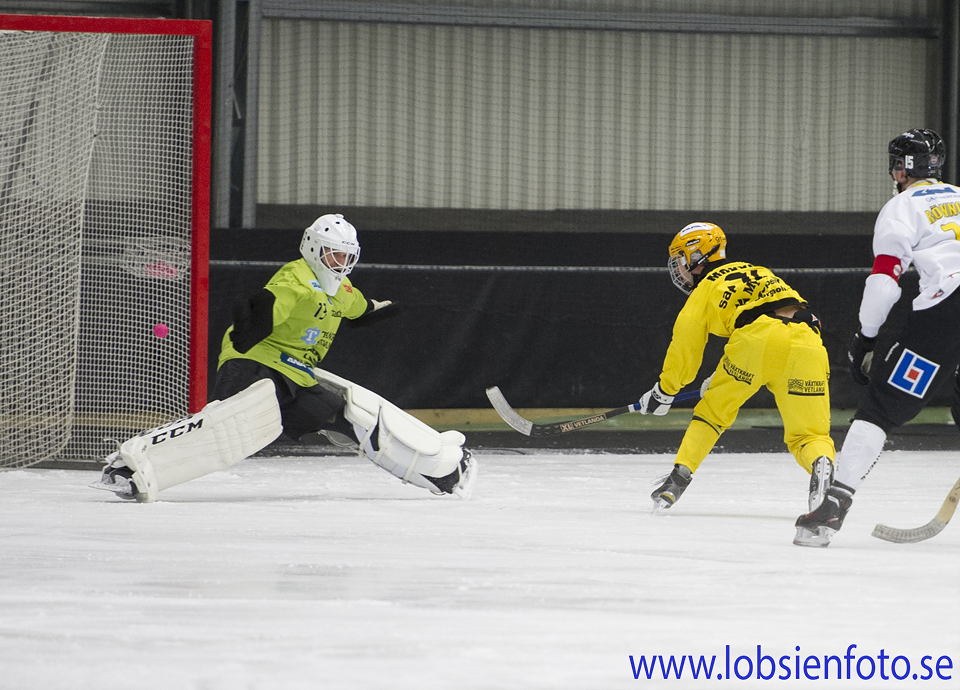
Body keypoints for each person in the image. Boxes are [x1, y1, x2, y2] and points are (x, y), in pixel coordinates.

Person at [94, 214, 477, 502]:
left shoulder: (342, 290)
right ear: (312, 248)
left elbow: (365, 309)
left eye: (346, 256)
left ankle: (438, 472)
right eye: (332, 254)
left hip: (297, 375)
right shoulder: (296, 278)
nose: (338, 263)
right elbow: (269, 304)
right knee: (227, 424)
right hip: (256, 363)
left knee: (350, 416)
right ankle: (131, 465)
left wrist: (398, 306)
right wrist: (251, 320)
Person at [795, 128, 960, 547]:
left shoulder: (901, 207)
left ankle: (831, 510)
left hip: (947, 308)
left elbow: (885, 283)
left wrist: (866, 338)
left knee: (880, 409)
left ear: (900, 169)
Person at [642, 222, 836, 533]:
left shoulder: (703, 290)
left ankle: (677, 478)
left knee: (713, 413)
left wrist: (664, 391)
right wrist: (720, 375)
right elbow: (779, 317)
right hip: (808, 341)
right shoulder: (758, 270)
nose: (678, 268)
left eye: (680, 258)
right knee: (810, 435)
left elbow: (685, 350)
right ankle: (821, 465)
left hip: (755, 341)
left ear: (696, 255)